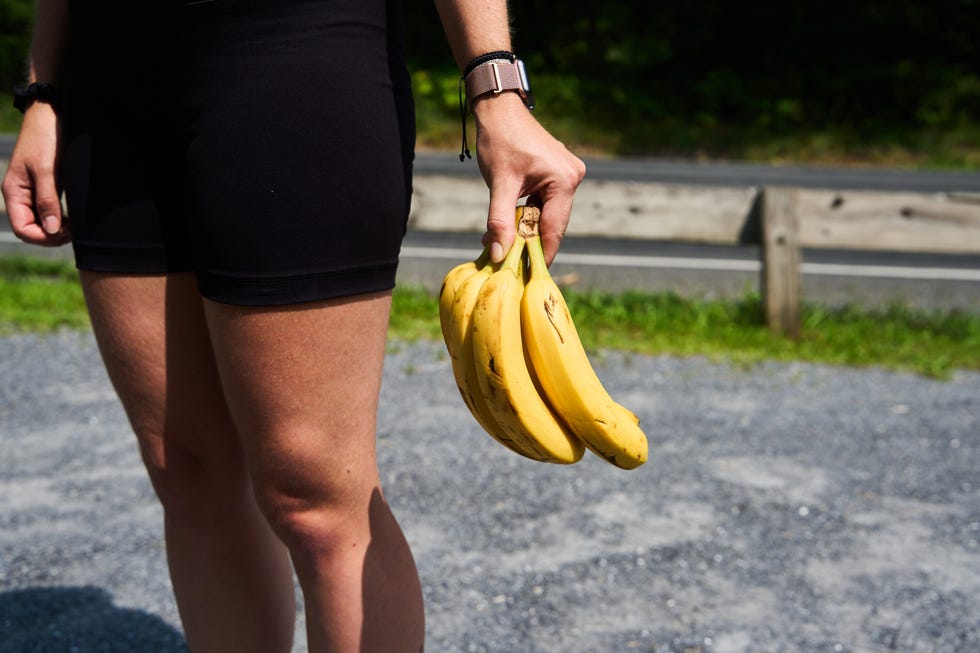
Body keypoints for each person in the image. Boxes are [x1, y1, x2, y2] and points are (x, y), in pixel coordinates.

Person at [1, 0, 585, 651]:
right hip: (109, 75)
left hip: (294, 45)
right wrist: (43, 91)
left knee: (314, 491)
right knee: (185, 466)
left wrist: (495, 85)